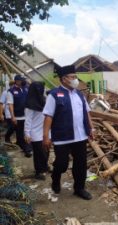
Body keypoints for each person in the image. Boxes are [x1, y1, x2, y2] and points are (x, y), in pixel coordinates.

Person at [43, 65, 95, 200]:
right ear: (63, 79)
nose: (75, 79)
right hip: (62, 137)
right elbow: (48, 116)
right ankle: (56, 176)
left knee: (81, 164)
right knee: (61, 164)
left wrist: (91, 128)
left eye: (75, 76)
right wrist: (46, 136)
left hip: (80, 136)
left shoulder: (79, 94)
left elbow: (87, 112)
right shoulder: (54, 95)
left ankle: (79, 188)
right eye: (72, 77)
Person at [24, 81, 49, 180]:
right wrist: (27, 133)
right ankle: (39, 171)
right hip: (35, 132)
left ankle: (45, 166)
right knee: (39, 153)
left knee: (46, 151)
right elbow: (28, 120)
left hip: (45, 130)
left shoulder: (44, 100)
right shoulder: (30, 104)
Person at [7, 75, 32, 157]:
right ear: (17, 81)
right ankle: (26, 149)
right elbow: (10, 104)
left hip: (27, 116)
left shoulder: (26, 88)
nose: (23, 81)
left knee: (27, 133)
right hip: (18, 117)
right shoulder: (11, 91)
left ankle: (28, 149)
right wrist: (13, 116)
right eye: (21, 80)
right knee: (20, 135)